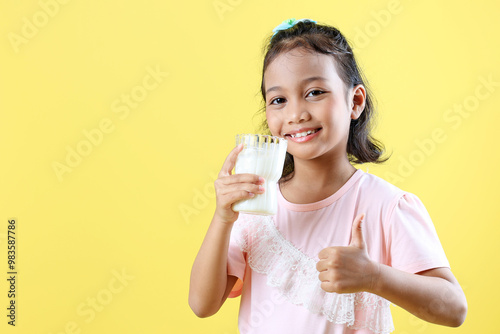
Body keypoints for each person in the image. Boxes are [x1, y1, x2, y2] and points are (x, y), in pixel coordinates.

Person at [188, 18, 467, 333]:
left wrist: (375, 276)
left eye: (315, 92)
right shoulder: (254, 207)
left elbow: (453, 309)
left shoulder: (387, 206)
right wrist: (223, 218)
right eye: (278, 100)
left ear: (355, 101)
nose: (296, 114)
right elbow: (202, 304)